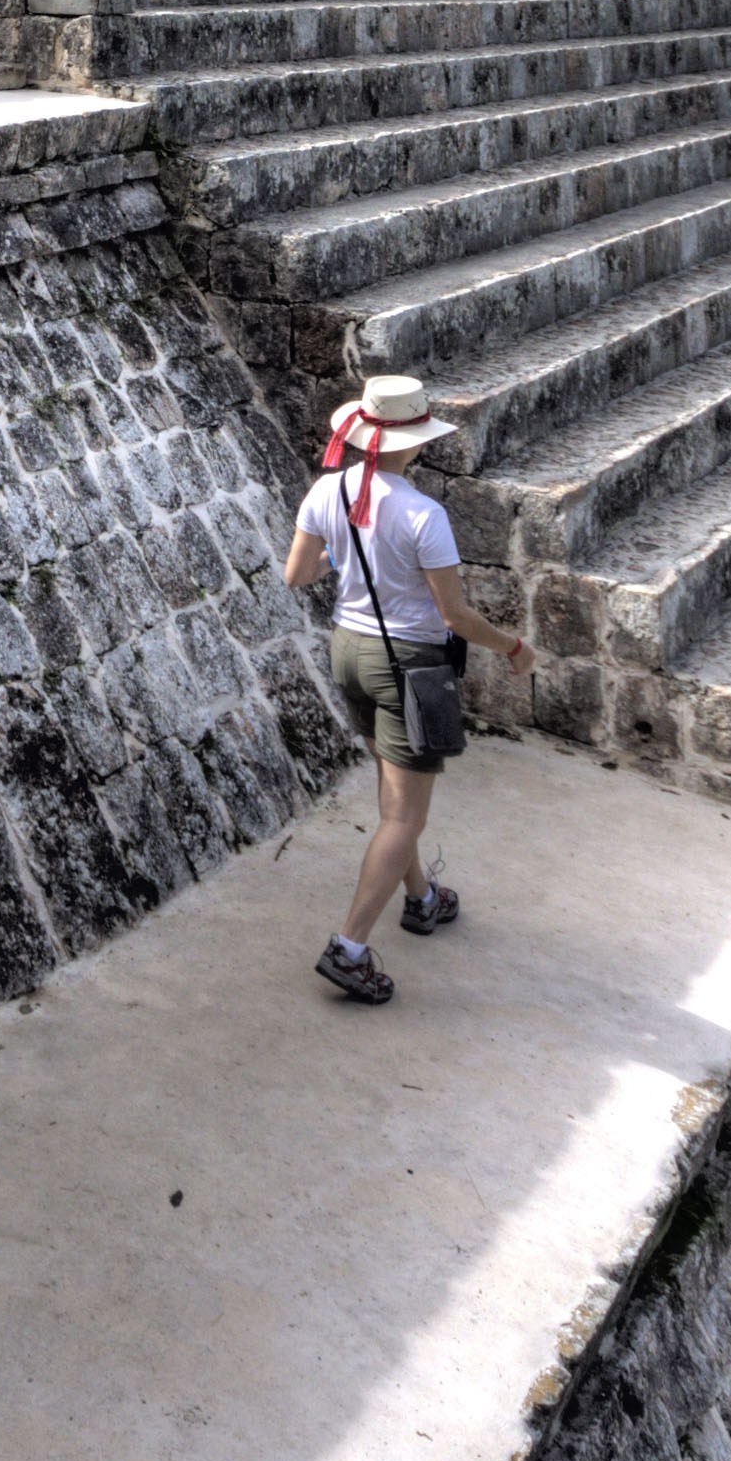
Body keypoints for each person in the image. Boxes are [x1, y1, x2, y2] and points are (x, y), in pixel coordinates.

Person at [285, 369, 528, 1003]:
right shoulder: (425, 514)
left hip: (348, 652)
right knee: (406, 812)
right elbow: (455, 616)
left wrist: (352, 555)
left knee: (395, 797)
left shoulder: (326, 492)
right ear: (414, 441)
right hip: (408, 664)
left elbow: (298, 574)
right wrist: (514, 647)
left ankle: (420, 897)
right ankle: (349, 948)